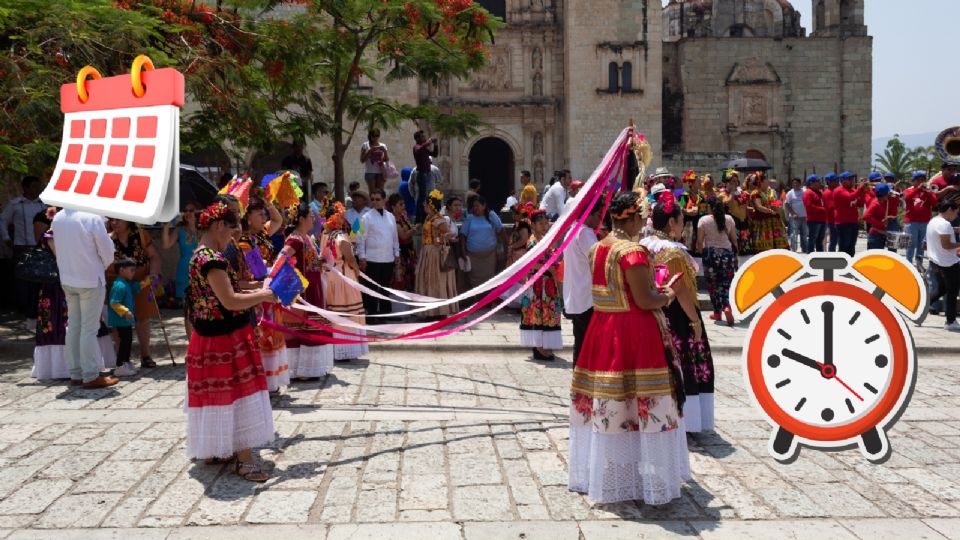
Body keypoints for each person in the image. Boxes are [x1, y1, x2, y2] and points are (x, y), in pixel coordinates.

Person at [568, 191, 688, 505]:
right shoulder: (632, 251)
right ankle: (641, 470)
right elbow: (645, 299)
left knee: (614, 399)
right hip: (634, 331)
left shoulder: (597, 248)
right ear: (632, 218)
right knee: (640, 398)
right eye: (641, 217)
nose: (644, 222)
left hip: (603, 327)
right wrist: (668, 295)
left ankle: (616, 466)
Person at [185, 202, 276, 481]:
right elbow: (230, 300)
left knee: (218, 396)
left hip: (210, 336)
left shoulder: (201, 255)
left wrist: (259, 287)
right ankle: (244, 458)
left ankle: (217, 447)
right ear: (218, 226)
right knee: (239, 394)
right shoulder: (211, 259)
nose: (234, 234)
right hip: (226, 337)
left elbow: (230, 289)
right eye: (231, 227)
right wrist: (265, 296)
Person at [641, 191, 716, 433]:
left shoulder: (646, 245)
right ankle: (686, 419)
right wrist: (695, 321)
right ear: (671, 222)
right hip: (679, 316)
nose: (684, 224)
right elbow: (680, 288)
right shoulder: (672, 251)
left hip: (657, 313)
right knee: (685, 363)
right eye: (682, 219)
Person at [32, 209, 115, 381]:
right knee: (89, 328)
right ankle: (91, 375)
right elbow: (107, 252)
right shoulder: (92, 218)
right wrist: (103, 265)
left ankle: (76, 372)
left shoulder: (59, 217)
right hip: (90, 279)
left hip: (68, 279)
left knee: (74, 326)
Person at [240, 198, 289, 391]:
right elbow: (256, 270)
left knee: (274, 333)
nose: (264, 217)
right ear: (248, 217)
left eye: (263, 214)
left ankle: (273, 380)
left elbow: (278, 220)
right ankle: (263, 381)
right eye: (259, 214)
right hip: (256, 289)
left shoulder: (262, 233)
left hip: (269, 286)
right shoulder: (243, 242)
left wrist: (269, 203)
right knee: (262, 335)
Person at [281, 203, 335, 379]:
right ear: (302, 219)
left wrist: (319, 261)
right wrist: (292, 277)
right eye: (311, 215)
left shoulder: (307, 238)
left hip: (313, 288)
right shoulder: (295, 239)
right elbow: (283, 257)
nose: (314, 218)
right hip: (303, 291)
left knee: (313, 326)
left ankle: (308, 369)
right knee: (303, 327)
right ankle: (301, 370)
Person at [108, 220, 162, 368]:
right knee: (119, 320)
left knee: (142, 318)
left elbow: (154, 256)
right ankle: (122, 359)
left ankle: (145, 355)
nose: (114, 222)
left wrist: (153, 275)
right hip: (118, 283)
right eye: (111, 219)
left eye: (118, 219)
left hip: (141, 280)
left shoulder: (141, 235)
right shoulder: (107, 239)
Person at [321, 203, 369, 361]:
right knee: (347, 312)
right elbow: (346, 249)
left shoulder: (325, 234)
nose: (343, 219)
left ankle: (338, 348)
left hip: (330, 277)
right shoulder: (339, 236)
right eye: (340, 216)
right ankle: (346, 348)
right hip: (343, 278)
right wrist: (355, 268)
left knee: (336, 311)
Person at [2, 175, 46, 329]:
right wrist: (7, 238)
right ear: (25, 188)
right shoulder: (15, 204)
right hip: (22, 245)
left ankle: (38, 308)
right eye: (33, 186)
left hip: (41, 247)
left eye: (38, 186)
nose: (37, 189)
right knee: (22, 279)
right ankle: (23, 308)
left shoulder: (43, 205)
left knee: (40, 278)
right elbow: (3, 220)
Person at [562, 201, 601, 367]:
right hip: (587, 298)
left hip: (578, 296)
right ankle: (583, 386)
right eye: (598, 215)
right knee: (588, 344)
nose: (600, 220)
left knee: (581, 343)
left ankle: (579, 385)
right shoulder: (585, 233)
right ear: (590, 213)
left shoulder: (573, 231)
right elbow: (598, 260)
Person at [520, 210, 563, 360]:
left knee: (546, 314)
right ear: (533, 225)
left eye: (546, 223)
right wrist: (549, 268)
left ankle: (544, 345)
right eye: (540, 223)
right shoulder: (533, 241)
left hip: (546, 282)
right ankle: (539, 347)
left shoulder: (544, 239)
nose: (544, 226)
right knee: (538, 314)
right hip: (539, 283)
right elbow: (531, 263)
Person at [414, 189, 459, 319]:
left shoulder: (438, 219)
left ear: (431, 205)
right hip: (427, 252)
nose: (424, 207)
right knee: (428, 280)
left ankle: (439, 311)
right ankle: (430, 311)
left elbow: (451, 234)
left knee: (436, 280)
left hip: (435, 253)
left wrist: (438, 240)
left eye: (426, 205)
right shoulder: (430, 218)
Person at [357, 189, 400, 318]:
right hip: (372, 259)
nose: (375, 202)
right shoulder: (365, 217)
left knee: (385, 288)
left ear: (384, 199)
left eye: (378, 199)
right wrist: (362, 257)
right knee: (371, 289)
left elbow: (394, 237)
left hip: (388, 258)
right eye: (373, 199)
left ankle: (385, 313)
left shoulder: (391, 216)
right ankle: (372, 314)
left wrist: (396, 253)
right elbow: (360, 238)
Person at [697, 198, 738, 326]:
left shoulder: (704, 220)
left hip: (711, 255)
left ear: (709, 207)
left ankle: (717, 312)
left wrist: (701, 250)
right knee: (726, 283)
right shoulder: (729, 219)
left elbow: (699, 242)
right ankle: (727, 306)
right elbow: (733, 240)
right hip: (727, 254)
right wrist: (735, 255)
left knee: (713, 284)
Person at [161, 201, 199, 326]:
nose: (188, 213)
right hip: (184, 271)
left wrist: (194, 229)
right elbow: (166, 245)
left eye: (191, 210)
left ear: (197, 212)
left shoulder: (203, 229)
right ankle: (190, 342)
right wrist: (166, 226)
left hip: (200, 270)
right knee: (188, 310)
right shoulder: (179, 229)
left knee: (200, 308)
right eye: (186, 210)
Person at [926, 198, 960, 331]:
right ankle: (950, 322)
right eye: (956, 212)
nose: (957, 215)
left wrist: (955, 230)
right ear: (950, 210)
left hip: (935, 262)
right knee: (952, 292)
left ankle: (921, 306)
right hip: (948, 263)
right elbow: (946, 245)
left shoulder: (934, 221)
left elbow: (943, 234)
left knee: (942, 289)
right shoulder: (944, 225)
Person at [459, 196, 504, 294]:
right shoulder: (470, 218)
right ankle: (477, 301)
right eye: (474, 206)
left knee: (489, 279)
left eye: (477, 206)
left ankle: (488, 300)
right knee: (474, 280)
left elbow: (501, 231)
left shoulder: (492, 216)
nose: (475, 208)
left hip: (489, 257)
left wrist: (507, 247)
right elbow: (462, 236)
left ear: (484, 206)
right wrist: (463, 253)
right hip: (473, 257)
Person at [108, 258, 141, 377]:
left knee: (127, 341)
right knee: (125, 341)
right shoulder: (119, 285)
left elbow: (136, 288)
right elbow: (114, 302)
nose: (134, 272)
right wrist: (125, 311)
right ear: (122, 270)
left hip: (125, 320)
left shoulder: (126, 283)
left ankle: (125, 362)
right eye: (131, 270)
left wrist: (147, 282)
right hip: (121, 320)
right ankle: (121, 364)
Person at [904, 171, 938, 265]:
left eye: (923, 180)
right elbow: (907, 199)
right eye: (919, 180)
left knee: (921, 245)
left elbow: (934, 203)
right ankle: (909, 264)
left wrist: (928, 193)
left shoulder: (928, 191)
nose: (921, 182)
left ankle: (919, 264)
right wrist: (918, 190)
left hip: (925, 222)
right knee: (911, 244)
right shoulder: (909, 190)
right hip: (911, 221)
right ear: (913, 181)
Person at [747, 172, 787, 252]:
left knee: (778, 245)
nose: (768, 182)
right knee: (764, 245)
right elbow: (758, 206)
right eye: (766, 180)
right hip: (763, 221)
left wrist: (778, 206)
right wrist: (770, 211)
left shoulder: (771, 191)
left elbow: (776, 202)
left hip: (774, 221)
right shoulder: (756, 193)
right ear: (760, 182)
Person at [832, 172, 868, 257]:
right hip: (843, 223)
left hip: (853, 222)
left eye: (852, 178)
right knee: (844, 246)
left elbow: (860, 204)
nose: (852, 180)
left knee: (851, 247)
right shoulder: (838, 190)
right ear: (843, 180)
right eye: (849, 179)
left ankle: (850, 265)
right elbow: (850, 197)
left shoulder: (853, 190)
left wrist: (863, 192)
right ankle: (841, 266)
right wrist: (860, 188)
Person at [388, 193, 417, 292]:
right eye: (400, 204)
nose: (403, 206)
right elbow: (403, 236)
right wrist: (414, 229)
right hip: (401, 253)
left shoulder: (403, 217)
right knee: (401, 278)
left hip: (409, 251)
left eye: (403, 204)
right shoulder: (393, 221)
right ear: (393, 207)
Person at [720, 170, 750, 254]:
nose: (736, 183)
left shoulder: (741, 193)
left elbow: (745, 206)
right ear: (727, 183)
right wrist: (732, 193)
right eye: (733, 181)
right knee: (733, 248)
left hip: (743, 221)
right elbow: (728, 204)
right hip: (732, 220)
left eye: (737, 181)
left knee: (744, 250)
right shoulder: (722, 194)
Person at [412, 131, 439, 223]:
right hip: (422, 174)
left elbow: (434, 154)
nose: (424, 138)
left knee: (426, 196)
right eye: (423, 137)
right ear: (418, 139)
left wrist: (435, 145)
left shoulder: (424, 148)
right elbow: (419, 150)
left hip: (427, 174)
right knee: (422, 196)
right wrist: (428, 142)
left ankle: (424, 215)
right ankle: (419, 217)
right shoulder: (416, 147)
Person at [360, 128, 390, 194]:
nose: (375, 137)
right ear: (370, 136)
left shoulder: (383, 145)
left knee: (380, 193)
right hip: (370, 172)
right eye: (373, 136)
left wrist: (384, 151)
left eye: (377, 135)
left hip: (381, 172)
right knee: (372, 193)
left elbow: (386, 159)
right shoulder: (365, 145)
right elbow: (362, 160)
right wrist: (370, 151)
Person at [802, 175, 827, 253]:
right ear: (811, 183)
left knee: (820, 240)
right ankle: (810, 256)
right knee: (812, 239)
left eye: (819, 182)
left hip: (822, 219)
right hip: (814, 220)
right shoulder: (808, 193)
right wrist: (822, 209)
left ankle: (820, 256)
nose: (819, 184)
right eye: (817, 182)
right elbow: (809, 207)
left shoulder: (819, 192)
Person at [864, 183, 892, 251]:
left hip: (879, 236)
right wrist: (880, 223)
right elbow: (865, 216)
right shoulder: (875, 204)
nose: (889, 194)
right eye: (888, 192)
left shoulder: (881, 203)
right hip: (875, 237)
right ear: (884, 194)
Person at [784, 178, 808, 253]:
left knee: (804, 234)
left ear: (800, 184)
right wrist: (793, 213)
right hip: (794, 218)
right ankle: (794, 250)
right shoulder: (790, 193)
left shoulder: (805, 191)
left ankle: (805, 249)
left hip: (805, 217)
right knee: (793, 235)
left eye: (797, 183)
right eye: (793, 183)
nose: (795, 185)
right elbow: (787, 204)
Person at [822, 173, 840, 252]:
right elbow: (831, 207)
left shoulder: (836, 191)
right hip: (832, 220)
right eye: (836, 181)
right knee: (834, 240)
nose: (838, 182)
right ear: (829, 182)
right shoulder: (827, 193)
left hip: (838, 219)